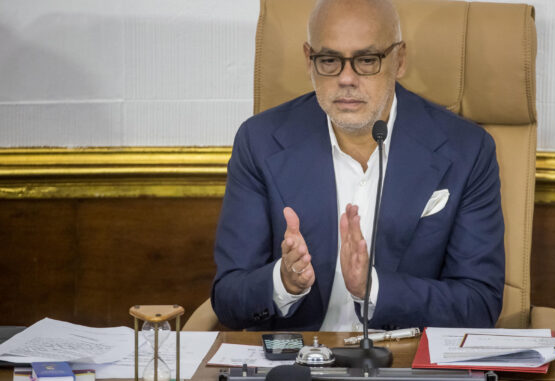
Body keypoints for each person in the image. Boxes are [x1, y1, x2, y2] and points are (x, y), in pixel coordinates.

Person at [211, 0, 505, 331]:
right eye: (329, 60)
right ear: (309, 60)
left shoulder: (466, 150)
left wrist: (374, 289)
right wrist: (283, 282)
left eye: (367, 60)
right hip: (300, 361)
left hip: (406, 362)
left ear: (400, 60)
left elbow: (478, 303)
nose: (346, 78)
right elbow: (228, 297)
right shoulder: (260, 142)